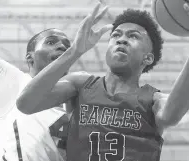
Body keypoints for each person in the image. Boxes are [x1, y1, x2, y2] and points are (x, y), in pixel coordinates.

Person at [16, 2, 189, 161]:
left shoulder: (153, 99)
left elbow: (169, 116)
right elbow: (25, 104)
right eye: (115, 35)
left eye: (133, 36)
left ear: (148, 58)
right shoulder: (80, 84)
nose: (121, 39)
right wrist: (75, 51)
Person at [0, 28, 71, 161]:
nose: (62, 46)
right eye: (51, 42)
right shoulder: (12, 82)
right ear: (30, 57)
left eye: (67, 46)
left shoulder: (75, 101)